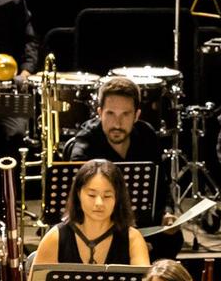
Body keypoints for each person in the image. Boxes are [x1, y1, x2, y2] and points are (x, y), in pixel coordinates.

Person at [62, 76, 169, 237]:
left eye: (125, 114)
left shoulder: (147, 135)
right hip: (99, 224)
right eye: (110, 114)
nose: (117, 123)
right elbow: (77, 194)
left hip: (141, 224)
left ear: (137, 115)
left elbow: (162, 185)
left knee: (173, 238)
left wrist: (167, 213)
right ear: (100, 113)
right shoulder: (87, 140)